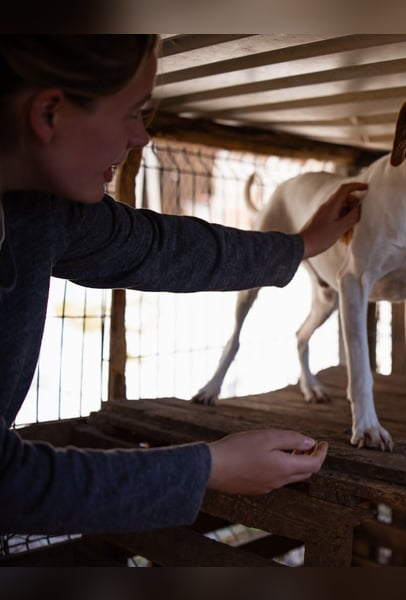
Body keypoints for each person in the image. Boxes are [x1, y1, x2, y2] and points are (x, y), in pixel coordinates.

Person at [0, 35, 366, 535]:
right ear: (49, 114)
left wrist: (299, 245)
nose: (142, 138)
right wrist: (208, 468)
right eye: (134, 112)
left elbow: (160, 247)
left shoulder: (39, 207)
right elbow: (10, 485)